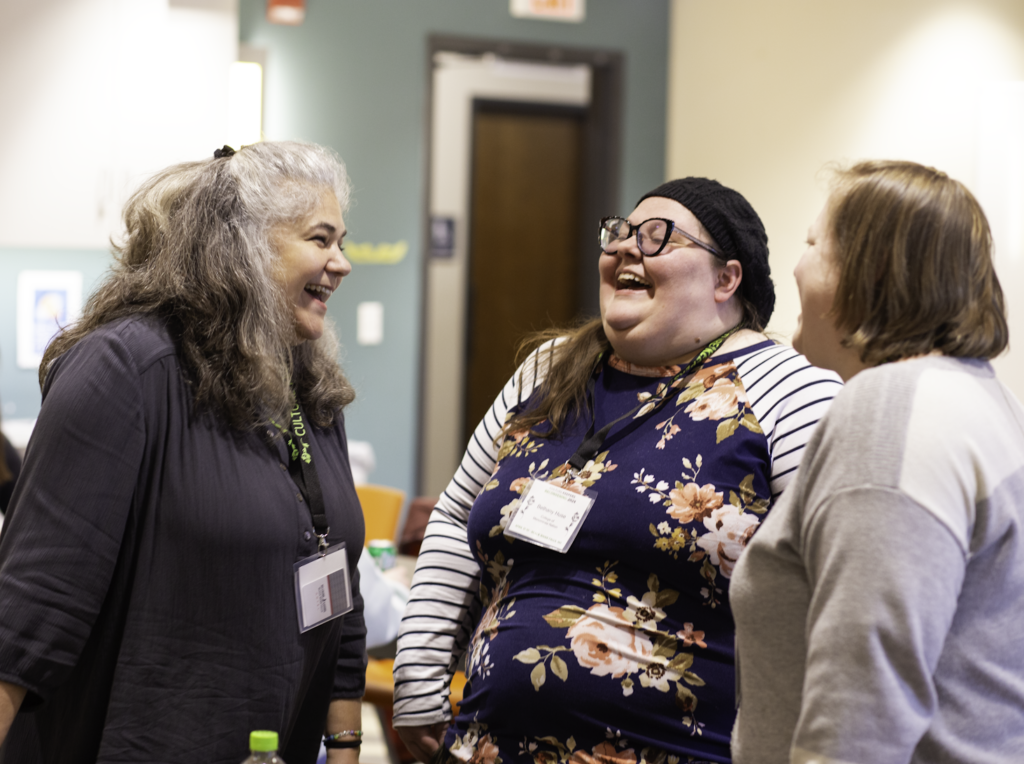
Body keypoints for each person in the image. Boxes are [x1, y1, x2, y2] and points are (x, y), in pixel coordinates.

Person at [392, 178, 844, 764]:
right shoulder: (550, 370)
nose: (627, 247)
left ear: (726, 279)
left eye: (658, 237)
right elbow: (458, 515)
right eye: (621, 233)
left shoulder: (789, 392)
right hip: (487, 746)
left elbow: (836, 590)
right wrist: (419, 674)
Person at [0, 142, 367, 764]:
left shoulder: (311, 388)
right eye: (321, 239)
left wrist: (347, 748)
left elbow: (340, 588)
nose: (343, 263)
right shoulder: (125, 368)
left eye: (342, 241)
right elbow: (32, 607)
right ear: (244, 244)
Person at [730, 160, 1024, 763]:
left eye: (813, 243)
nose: (796, 265)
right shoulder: (985, 399)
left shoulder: (891, 411)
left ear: (868, 270)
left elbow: (861, 710)